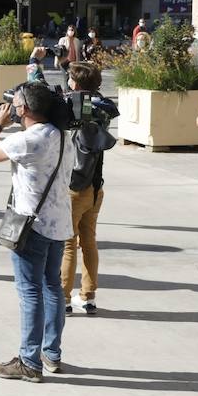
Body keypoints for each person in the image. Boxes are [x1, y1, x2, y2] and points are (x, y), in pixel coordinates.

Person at [0, 82, 73, 381]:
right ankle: (51, 353)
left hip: (32, 225)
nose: (12, 109)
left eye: (15, 104)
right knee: (52, 287)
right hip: (59, 222)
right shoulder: (61, 134)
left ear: (25, 109)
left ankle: (29, 361)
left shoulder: (27, 140)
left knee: (30, 292)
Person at [61, 63, 118, 313]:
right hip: (95, 185)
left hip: (73, 185)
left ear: (76, 82)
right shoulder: (102, 108)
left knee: (67, 244)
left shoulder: (73, 108)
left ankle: (62, 297)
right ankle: (88, 295)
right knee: (89, 241)